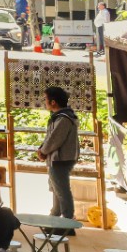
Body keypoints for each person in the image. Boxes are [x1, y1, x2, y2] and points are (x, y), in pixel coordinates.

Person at [39, 86, 79, 219]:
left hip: (61, 159)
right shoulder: (60, 117)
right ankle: (54, 217)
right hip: (57, 158)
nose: (44, 101)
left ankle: (67, 222)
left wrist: (43, 151)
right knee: (57, 190)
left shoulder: (63, 118)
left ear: (53, 102)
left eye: (45, 99)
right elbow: (50, 137)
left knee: (62, 192)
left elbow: (54, 140)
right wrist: (43, 149)